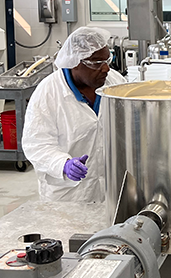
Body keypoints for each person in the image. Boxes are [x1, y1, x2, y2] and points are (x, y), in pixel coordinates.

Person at [22, 26, 125, 203]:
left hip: (112, 188)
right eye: (96, 63)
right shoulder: (48, 93)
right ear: (75, 62)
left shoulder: (115, 83)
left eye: (108, 60)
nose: (106, 68)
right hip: (69, 194)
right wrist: (64, 164)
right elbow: (36, 144)